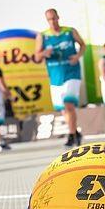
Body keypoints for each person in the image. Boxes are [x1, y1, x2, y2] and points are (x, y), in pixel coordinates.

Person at [35, 9, 86, 147]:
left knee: (68, 104)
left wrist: (77, 56)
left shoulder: (70, 31)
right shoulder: (43, 36)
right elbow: (37, 57)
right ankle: (76, 133)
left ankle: (71, 136)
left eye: (54, 18)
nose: (52, 21)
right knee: (63, 109)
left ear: (58, 17)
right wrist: (44, 53)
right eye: (49, 19)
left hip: (71, 73)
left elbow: (83, 45)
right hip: (55, 76)